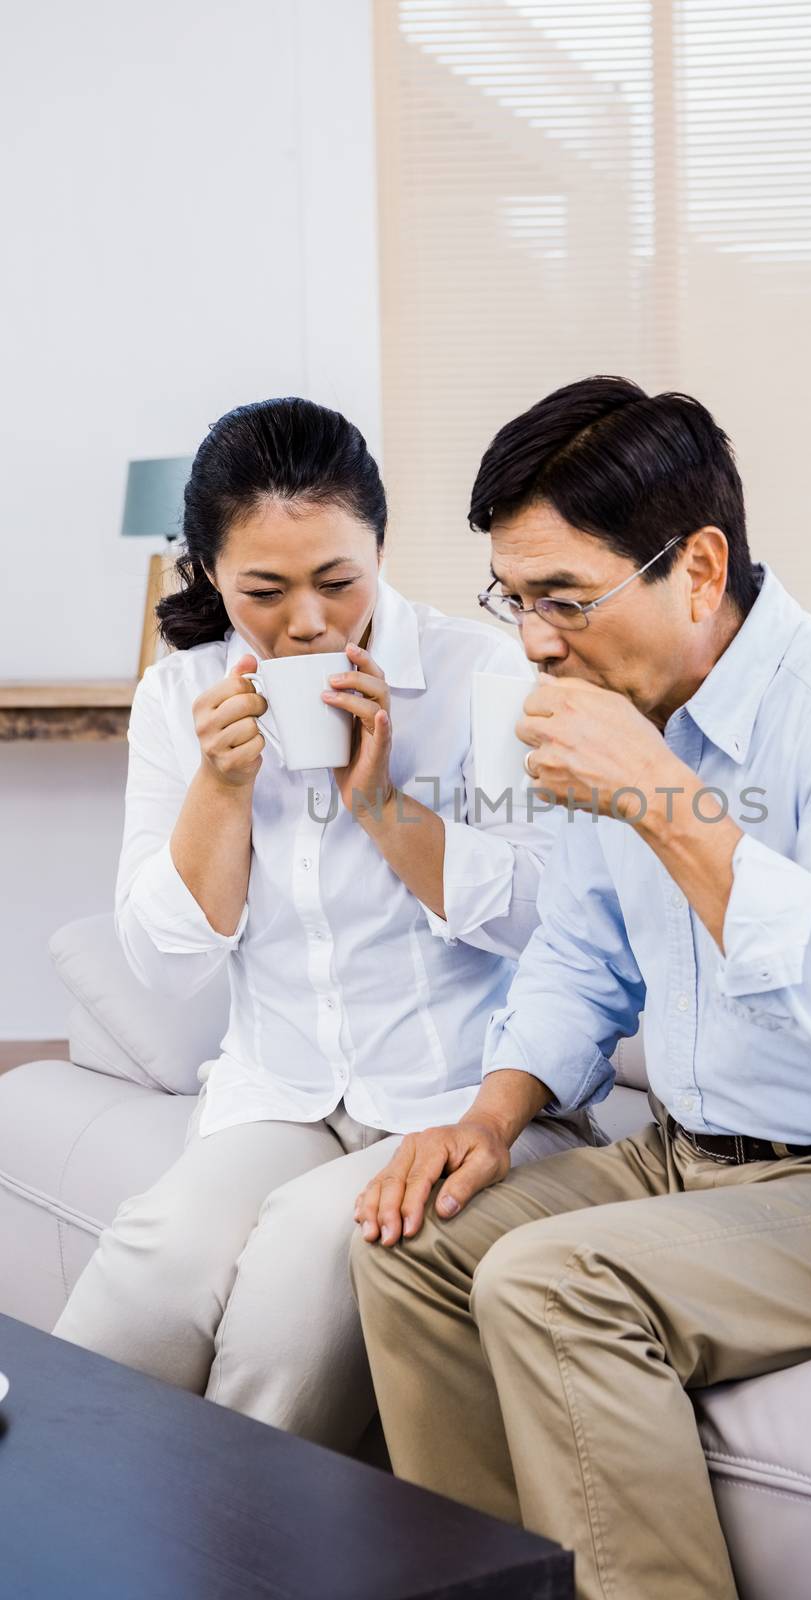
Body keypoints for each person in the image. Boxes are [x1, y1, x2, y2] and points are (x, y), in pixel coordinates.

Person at [350, 376, 811, 1600]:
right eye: (511, 601)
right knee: (415, 1242)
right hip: (696, 1155)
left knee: (553, 1280)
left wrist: (663, 799)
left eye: (561, 599)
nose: (531, 642)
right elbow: (581, 960)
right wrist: (487, 1116)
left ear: (697, 565)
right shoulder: (615, 706)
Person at [53, 396, 595, 1454]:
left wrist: (383, 804)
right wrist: (219, 786)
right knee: (155, 1260)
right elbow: (162, 966)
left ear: (381, 550)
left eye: (338, 580)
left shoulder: (484, 674)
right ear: (208, 575)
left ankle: (232, 1551)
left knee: (298, 1277)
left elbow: (552, 923)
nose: (307, 621)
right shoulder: (178, 697)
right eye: (264, 590)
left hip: (459, 1095)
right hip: (281, 1090)